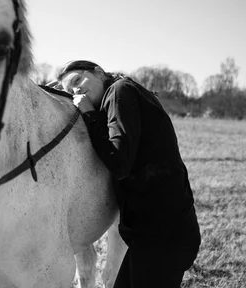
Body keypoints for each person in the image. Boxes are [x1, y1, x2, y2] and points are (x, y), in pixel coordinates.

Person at [57, 60, 200, 288]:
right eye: (69, 90)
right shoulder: (121, 94)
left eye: (77, 80)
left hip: (163, 236)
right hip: (151, 234)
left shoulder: (120, 92)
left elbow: (119, 162)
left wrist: (89, 115)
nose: (75, 90)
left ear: (99, 72)